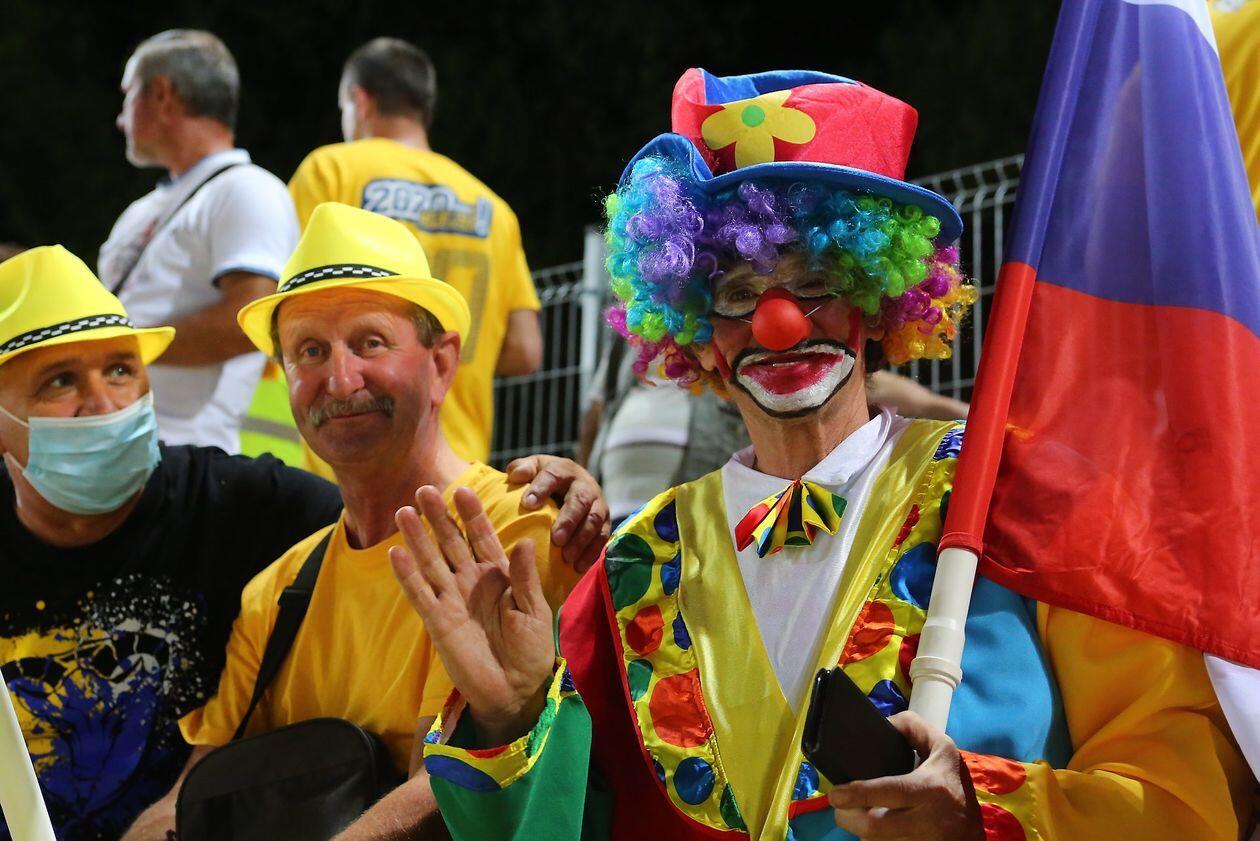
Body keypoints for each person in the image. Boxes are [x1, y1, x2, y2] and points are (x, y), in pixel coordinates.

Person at [394, 70, 1250, 840]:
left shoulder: (1020, 496)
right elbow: (569, 823)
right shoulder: (634, 566)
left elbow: (1180, 793)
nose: (779, 324)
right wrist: (512, 716)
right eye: (739, 292)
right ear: (698, 330)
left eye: (815, 284)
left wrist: (984, 810)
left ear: (876, 302)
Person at [128, 203, 585, 840]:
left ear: (442, 364)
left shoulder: (519, 529)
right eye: (309, 351)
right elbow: (186, 801)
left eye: (370, 342)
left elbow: (447, 790)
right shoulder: (277, 592)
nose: (340, 380)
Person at [0, 245, 344, 841]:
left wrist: (523, 496)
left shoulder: (237, 506)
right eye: (60, 381)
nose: (104, 404)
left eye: (120, 370)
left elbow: (402, 519)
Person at [288, 37, 543, 473]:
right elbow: (525, 349)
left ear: (360, 100)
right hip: (457, 464)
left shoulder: (330, 171)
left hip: (350, 453)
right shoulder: (493, 209)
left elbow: (292, 311)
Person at [98, 30, 298, 454]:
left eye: (128, 95)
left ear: (162, 94)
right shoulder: (143, 211)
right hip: (122, 450)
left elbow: (249, 319)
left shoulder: (248, 189)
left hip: (187, 454)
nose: (119, 118)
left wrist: (112, 351)